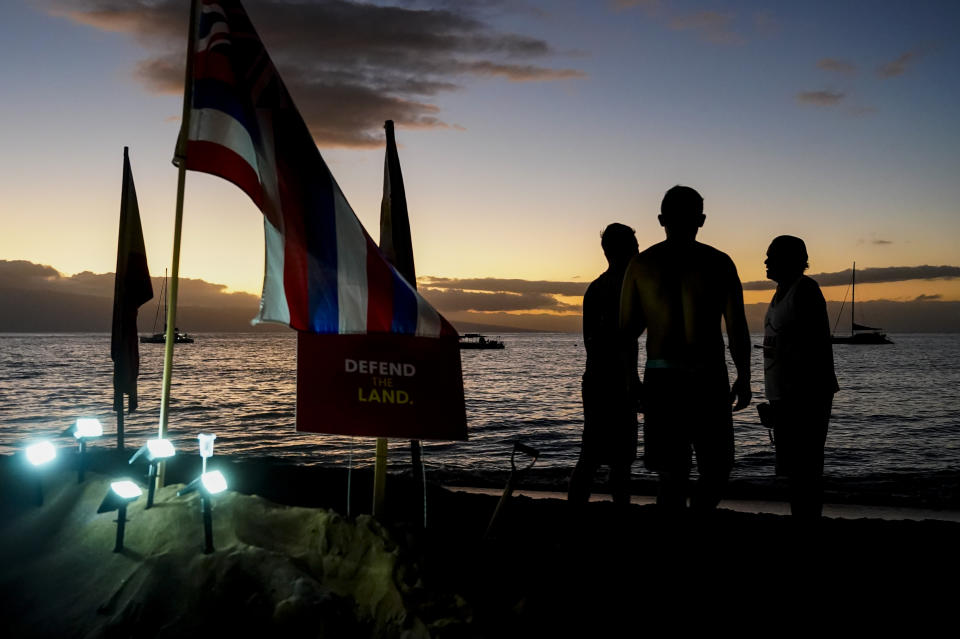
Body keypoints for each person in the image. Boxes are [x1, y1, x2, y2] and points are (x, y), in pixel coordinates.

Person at [620, 185, 751, 513]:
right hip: (708, 376)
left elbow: (625, 334)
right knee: (716, 468)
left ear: (661, 219)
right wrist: (745, 376)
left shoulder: (640, 265)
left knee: (671, 473)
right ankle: (695, 524)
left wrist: (630, 380)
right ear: (702, 220)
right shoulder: (720, 263)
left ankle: (677, 533)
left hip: (661, 379)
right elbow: (736, 328)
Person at [762, 235, 838, 519]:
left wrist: (791, 399)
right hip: (784, 396)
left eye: (772, 256)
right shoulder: (780, 292)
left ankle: (807, 521)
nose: (766, 261)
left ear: (792, 259)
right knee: (794, 471)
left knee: (805, 470)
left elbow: (813, 348)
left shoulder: (805, 290)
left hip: (805, 395)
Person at [568, 223, 641, 507]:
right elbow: (623, 340)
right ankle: (608, 514)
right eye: (634, 246)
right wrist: (631, 382)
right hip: (609, 382)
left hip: (599, 380)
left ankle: (578, 516)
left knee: (600, 456)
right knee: (608, 458)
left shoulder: (596, 288)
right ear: (622, 251)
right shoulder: (615, 290)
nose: (638, 251)